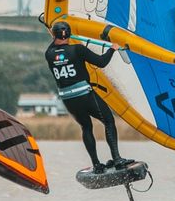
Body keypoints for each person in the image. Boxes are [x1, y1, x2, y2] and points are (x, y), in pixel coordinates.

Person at [45, 20, 132, 173]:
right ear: (69, 34)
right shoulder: (77, 50)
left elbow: (55, 45)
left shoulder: (49, 54)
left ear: (54, 35)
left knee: (86, 127)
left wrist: (53, 34)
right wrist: (112, 49)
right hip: (85, 95)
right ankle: (117, 159)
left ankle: (96, 165)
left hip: (68, 99)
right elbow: (101, 62)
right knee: (109, 121)